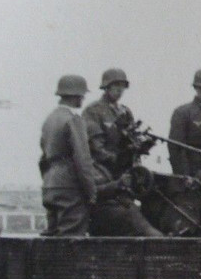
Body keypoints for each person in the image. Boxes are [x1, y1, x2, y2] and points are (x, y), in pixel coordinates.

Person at [39, 74, 97, 236]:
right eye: (82, 95)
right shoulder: (73, 120)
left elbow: (43, 158)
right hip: (69, 187)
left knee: (51, 238)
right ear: (77, 96)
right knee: (71, 239)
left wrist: (48, 181)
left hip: (49, 185)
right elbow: (83, 159)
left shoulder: (49, 119)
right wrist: (91, 192)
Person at [88, 162, 163, 237]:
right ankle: (155, 239)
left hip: (116, 205)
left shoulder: (100, 166)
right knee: (129, 215)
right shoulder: (87, 167)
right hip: (98, 211)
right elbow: (90, 193)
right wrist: (118, 184)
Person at [82, 68, 134, 175]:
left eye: (123, 86)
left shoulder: (126, 111)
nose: (120, 89)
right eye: (116, 85)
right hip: (101, 169)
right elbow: (95, 145)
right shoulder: (93, 110)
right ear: (106, 87)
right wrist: (116, 159)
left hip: (124, 168)